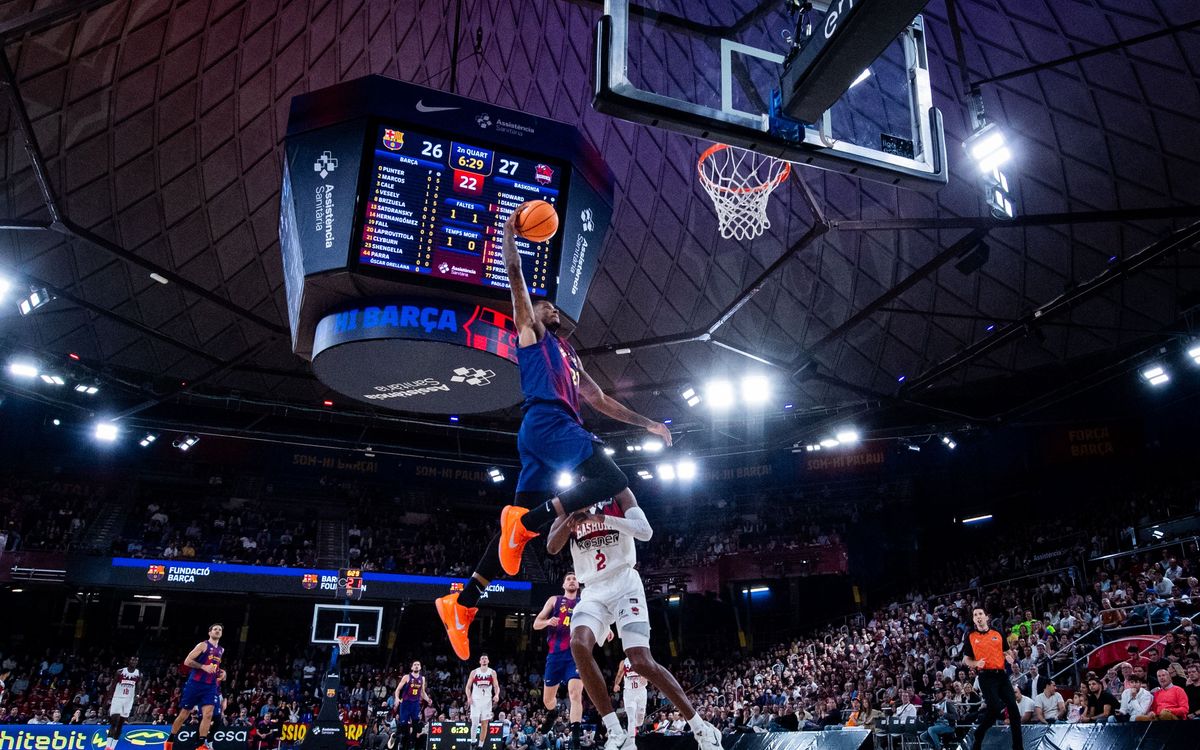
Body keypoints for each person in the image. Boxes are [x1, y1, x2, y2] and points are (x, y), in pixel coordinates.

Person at [437, 204, 672, 660]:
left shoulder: (570, 356)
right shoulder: (531, 334)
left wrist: (648, 423)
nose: (550, 307)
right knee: (613, 481)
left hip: (544, 436)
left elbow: (601, 401)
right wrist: (509, 230)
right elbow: (513, 273)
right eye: (545, 303)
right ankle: (523, 523)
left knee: (510, 544)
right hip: (550, 423)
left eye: (549, 305)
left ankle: (462, 605)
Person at [546, 489, 721, 750]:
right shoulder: (568, 503)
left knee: (640, 661)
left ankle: (701, 727)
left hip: (625, 584)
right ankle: (615, 732)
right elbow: (552, 546)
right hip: (593, 590)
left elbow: (645, 531)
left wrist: (601, 519)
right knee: (578, 644)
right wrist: (572, 516)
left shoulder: (619, 494)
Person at [532, 574, 589, 748]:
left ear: (578, 584)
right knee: (547, 700)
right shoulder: (554, 600)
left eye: (574, 578)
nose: (572, 580)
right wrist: (548, 621)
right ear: (563, 584)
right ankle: (553, 712)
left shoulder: (585, 601)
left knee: (575, 694)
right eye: (568, 578)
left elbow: (598, 617)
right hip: (555, 655)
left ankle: (576, 739)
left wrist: (606, 629)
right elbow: (536, 624)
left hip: (576, 654)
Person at [961, 606, 1024, 750]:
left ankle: (1018, 747)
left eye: (980, 614)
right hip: (986, 676)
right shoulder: (971, 636)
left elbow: (1007, 651)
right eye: (975, 614)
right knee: (995, 709)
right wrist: (976, 663)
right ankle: (980, 732)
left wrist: (1010, 656)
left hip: (1001, 675)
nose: (978, 616)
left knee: (1014, 709)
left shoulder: (998, 633)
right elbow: (966, 660)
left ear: (986, 617)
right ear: (973, 619)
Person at [165, 623, 225, 750]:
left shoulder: (221, 649)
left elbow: (213, 667)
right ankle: (170, 740)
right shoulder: (203, 645)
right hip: (195, 684)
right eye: (215, 629)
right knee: (184, 714)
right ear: (209, 632)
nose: (217, 631)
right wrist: (203, 667)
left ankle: (201, 745)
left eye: (220, 630)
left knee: (208, 714)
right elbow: (187, 661)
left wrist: (222, 672)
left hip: (210, 686)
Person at [393, 661, 432, 750]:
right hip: (405, 704)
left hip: (415, 704)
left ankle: (412, 744)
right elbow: (398, 690)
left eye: (418, 665)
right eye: (414, 665)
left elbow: (422, 692)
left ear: (420, 667)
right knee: (404, 725)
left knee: (416, 725)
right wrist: (396, 698)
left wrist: (428, 699)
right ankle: (401, 741)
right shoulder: (406, 677)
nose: (416, 666)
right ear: (411, 668)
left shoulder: (422, 678)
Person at [105, 656, 141, 750]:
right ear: (128, 660)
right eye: (132, 659)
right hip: (118, 698)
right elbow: (113, 685)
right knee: (114, 722)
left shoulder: (138, 674)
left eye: (136, 660)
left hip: (128, 700)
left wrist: (137, 695)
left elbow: (138, 687)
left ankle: (113, 747)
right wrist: (109, 698)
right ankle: (107, 747)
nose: (134, 661)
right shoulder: (120, 672)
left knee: (120, 724)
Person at [466, 654, 501, 748]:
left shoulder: (492, 672)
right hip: (475, 701)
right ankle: (473, 742)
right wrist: (469, 697)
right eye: (482, 658)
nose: (484, 660)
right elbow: (468, 687)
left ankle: (480, 745)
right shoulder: (474, 672)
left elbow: (496, 686)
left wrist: (497, 695)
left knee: (485, 724)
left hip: (487, 701)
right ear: (480, 661)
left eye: (486, 658)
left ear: (488, 661)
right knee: (475, 723)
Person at [612, 658, 647, 737]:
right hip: (629, 693)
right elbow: (619, 674)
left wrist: (645, 678)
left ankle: (635, 727)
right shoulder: (624, 662)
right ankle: (631, 740)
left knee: (640, 720)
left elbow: (649, 674)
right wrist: (616, 684)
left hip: (641, 692)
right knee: (631, 718)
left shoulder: (642, 659)